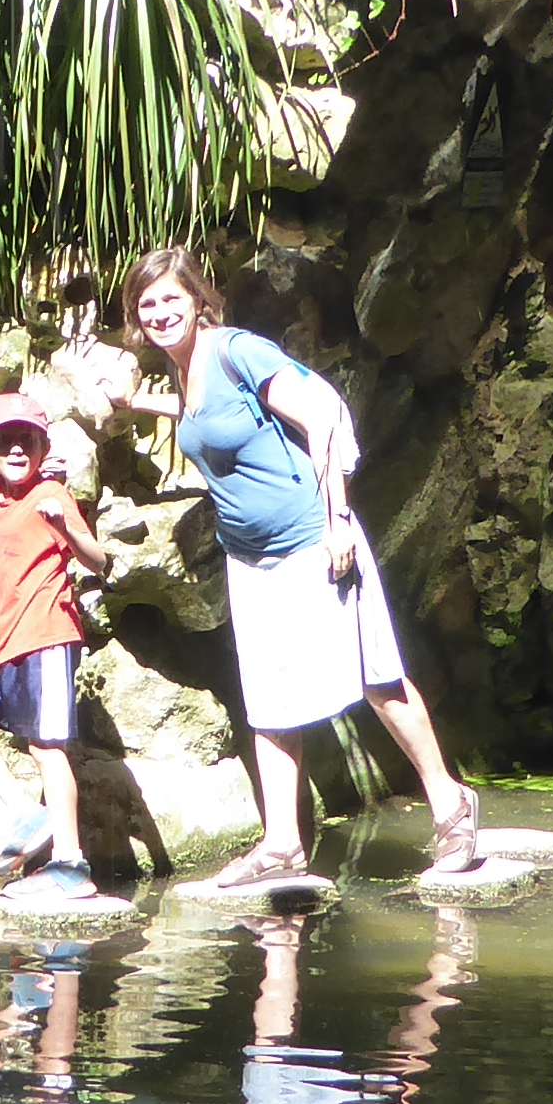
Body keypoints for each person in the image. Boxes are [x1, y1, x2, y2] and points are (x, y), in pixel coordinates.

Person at [91, 247, 481, 883]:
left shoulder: (236, 350)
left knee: (375, 677)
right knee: (270, 700)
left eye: (170, 298)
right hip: (250, 558)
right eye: (147, 303)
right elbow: (209, 420)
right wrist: (139, 403)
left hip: (311, 538)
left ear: (198, 299)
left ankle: (451, 803)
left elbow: (321, 414)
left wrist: (337, 519)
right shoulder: (185, 372)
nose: (160, 312)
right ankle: (281, 845)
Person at [0, 398, 113, 897]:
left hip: (45, 634)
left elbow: (98, 561)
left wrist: (62, 527)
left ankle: (71, 866)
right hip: (0, 638)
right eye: (6, 441)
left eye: (27, 441)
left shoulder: (52, 493)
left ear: (43, 447)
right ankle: (26, 812)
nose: (17, 450)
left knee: (45, 747)